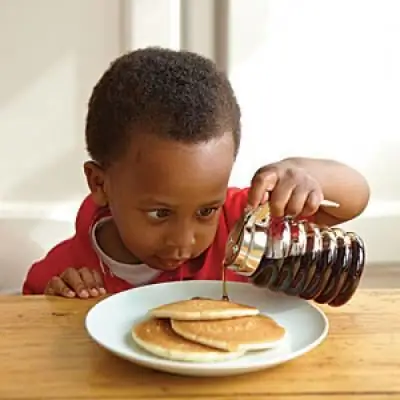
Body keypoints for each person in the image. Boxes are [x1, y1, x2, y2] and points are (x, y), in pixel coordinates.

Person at [22, 47, 370, 298]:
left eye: (205, 211)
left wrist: (300, 172)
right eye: (160, 213)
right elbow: (30, 320)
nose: (184, 241)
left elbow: (356, 196)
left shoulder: (242, 223)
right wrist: (60, 300)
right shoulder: (68, 269)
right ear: (100, 183)